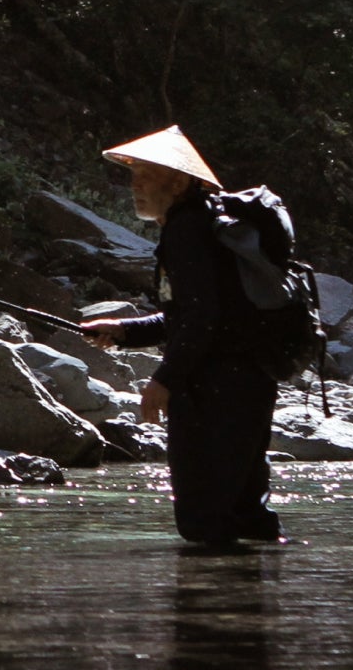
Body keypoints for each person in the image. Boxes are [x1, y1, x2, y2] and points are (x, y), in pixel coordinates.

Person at [81, 126, 283, 549]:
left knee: (203, 521)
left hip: (217, 389)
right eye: (133, 176)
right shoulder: (207, 223)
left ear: (178, 181)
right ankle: (256, 608)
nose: (135, 186)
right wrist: (124, 330)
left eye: (147, 176)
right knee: (246, 514)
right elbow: (195, 313)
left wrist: (165, 380)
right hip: (250, 381)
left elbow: (202, 317)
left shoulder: (186, 229)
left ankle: (213, 613)